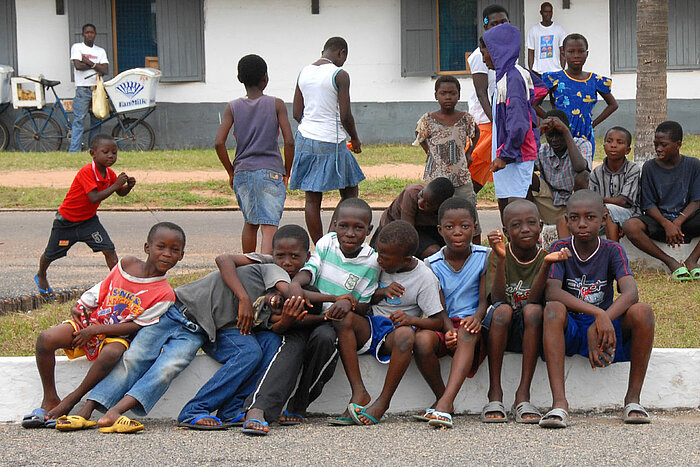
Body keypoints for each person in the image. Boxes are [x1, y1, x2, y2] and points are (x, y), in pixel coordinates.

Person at [58, 226, 338, 433]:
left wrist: (317, 312)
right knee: (137, 358)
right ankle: (88, 409)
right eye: (281, 256)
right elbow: (224, 260)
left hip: (207, 330)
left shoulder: (284, 291)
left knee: (249, 352)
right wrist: (244, 298)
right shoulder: (268, 267)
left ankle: (218, 410)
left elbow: (280, 318)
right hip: (177, 311)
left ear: (307, 257)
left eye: (294, 257)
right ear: (272, 254)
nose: (286, 262)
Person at [22, 222, 185, 430]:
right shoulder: (126, 264)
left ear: (181, 256)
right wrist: (81, 305)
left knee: (112, 352)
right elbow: (103, 287)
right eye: (160, 247)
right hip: (92, 321)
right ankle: (51, 398)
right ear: (147, 247)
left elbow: (135, 326)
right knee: (46, 339)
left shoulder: (165, 294)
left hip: (115, 335)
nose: (167, 254)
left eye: (174, 250)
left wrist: (96, 331)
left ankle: (73, 398)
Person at [240, 198, 381, 435]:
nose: (350, 233)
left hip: (333, 324)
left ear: (369, 230)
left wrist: (349, 306)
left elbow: (364, 306)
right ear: (334, 225)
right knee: (290, 350)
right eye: (343, 226)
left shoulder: (373, 262)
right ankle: (258, 409)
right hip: (309, 307)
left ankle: (300, 402)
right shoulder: (327, 243)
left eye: (358, 228)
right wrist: (295, 285)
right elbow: (310, 270)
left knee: (324, 341)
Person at [540, 189, 654, 428]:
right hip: (572, 326)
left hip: (604, 330)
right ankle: (559, 404)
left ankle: (633, 400)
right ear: (567, 220)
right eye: (575, 218)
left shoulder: (613, 249)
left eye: (590, 217)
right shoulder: (560, 248)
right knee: (552, 310)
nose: (582, 224)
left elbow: (631, 293)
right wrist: (598, 313)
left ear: (604, 218)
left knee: (643, 312)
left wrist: (602, 318)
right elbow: (552, 292)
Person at [334, 221, 444, 426]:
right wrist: (380, 293)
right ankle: (359, 392)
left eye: (385, 257)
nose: (379, 259)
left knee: (406, 335)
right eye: (379, 253)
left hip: (394, 332)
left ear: (405, 259)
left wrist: (411, 320)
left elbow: (438, 321)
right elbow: (363, 302)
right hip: (370, 323)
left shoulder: (424, 277)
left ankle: (383, 402)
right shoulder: (377, 263)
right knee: (344, 317)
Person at [481, 200, 568, 423]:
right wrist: (501, 259)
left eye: (531, 223)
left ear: (540, 226)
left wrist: (546, 265)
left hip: (529, 330)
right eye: (517, 225)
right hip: (498, 329)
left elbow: (534, 301)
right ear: (506, 232)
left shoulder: (546, 257)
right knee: (503, 312)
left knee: (533, 311)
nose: (525, 229)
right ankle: (495, 393)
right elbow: (498, 299)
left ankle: (523, 395)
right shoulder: (496, 255)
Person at [413, 197, 490, 429]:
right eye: (450, 227)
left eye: (465, 227)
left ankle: (445, 404)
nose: (458, 232)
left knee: (467, 330)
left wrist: (476, 318)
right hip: (443, 322)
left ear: (475, 228)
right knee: (422, 341)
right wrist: (448, 330)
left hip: (474, 323)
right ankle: (442, 398)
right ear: (439, 230)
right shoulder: (431, 263)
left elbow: (485, 300)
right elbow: (438, 304)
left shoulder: (485, 256)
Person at [35, 135, 135, 299]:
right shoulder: (87, 172)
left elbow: (120, 193)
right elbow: (94, 197)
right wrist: (117, 184)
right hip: (66, 222)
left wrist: (127, 187)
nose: (111, 156)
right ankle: (41, 275)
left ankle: (119, 285)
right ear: (93, 153)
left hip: (88, 221)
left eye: (114, 153)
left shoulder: (109, 174)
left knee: (108, 249)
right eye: (106, 152)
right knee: (50, 254)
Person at [215, 54, 294, 255]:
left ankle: (248, 268)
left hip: (243, 172)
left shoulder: (232, 107)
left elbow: (219, 143)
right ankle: (266, 271)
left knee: (250, 222)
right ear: (265, 78)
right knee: (269, 227)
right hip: (271, 171)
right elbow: (289, 141)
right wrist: (287, 170)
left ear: (239, 78)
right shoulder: (277, 104)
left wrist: (231, 172)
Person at [289, 37, 364, 244]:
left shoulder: (303, 72)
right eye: (344, 57)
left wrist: (311, 125)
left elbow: (296, 112)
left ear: (323, 51)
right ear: (341, 53)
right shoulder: (339, 75)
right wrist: (355, 138)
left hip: (305, 137)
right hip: (332, 139)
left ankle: (319, 245)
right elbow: (345, 115)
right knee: (350, 192)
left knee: (312, 198)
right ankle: (332, 239)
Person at [480, 25, 547, 219]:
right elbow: (540, 89)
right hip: (508, 152)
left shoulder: (513, 78)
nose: (483, 57)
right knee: (507, 202)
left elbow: (518, 124)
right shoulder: (509, 75)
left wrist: (506, 155)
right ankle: (513, 245)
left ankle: (526, 246)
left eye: (485, 51)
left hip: (515, 153)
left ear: (497, 51)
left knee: (517, 208)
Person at [623, 121, 700, 282]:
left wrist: (677, 222)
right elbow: (648, 204)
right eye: (656, 144)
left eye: (663, 145)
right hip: (660, 221)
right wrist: (667, 224)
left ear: (678, 145)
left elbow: (696, 200)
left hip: (686, 220)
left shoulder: (693, 165)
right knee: (631, 226)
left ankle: (692, 261)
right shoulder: (650, 167)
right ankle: (671, 262)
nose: (658, 149)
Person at [414, 75, 481, 242]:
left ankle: (477, 252)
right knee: (438, 217)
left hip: (461, 178)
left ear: (458, 95)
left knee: (470, 212)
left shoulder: (465, 118)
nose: (448, 97)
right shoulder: (428, 119)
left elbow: (476, 132)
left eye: (452, 93)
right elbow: (419, 135)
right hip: (436, 179)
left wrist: (469, 152)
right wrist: (430, 153)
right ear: (436, 95)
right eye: (443, 93)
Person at [538, 34, 618, 154]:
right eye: (571, 51)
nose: (576, 55)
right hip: (559, 135)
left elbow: (613, 105)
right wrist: (552, 120)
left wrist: (592, 124)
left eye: (581, 51)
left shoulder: (595, 80)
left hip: (585, 136)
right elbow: (534, 104)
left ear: (587, 54)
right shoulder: (554, 78)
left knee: (582, 168)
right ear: (563, 54)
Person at [466, 4, 511, 194]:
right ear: (486, 26)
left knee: (485, 169)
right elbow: (481, 92)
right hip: (485, 120)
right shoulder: (479, 55)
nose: (500, 27)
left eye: (504, 22)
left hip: (501, 117)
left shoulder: (508, 51)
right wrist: (496, 122)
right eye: (494, 24)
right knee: (474, 167)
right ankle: (458, 202)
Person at [530, 109, 593, 238]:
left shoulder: (582, 144)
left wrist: (565, 132)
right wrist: (537, 133)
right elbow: (524, 166)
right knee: (526, 178)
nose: (554, 140)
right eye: (550, 135)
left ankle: (578, 220)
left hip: (575, 203)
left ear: (568, 130)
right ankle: (532, 226)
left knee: (583, 176)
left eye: (559, 134)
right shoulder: (542, 150)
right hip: (551, 202)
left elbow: (580, 167)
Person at [369, 177, 454, 259]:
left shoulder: (448, 207)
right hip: (400, 227)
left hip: (426, 228)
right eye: (421, 195)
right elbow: (407, 233)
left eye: (427, 204)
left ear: (440, 206)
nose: (420, 203)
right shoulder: (411, 193)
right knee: (433, 252)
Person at [589, 126, 641, 242]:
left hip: (630, 214)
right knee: (567, 219)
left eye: (619, 142)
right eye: (609, 141)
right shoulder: (596, 172)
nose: (613, 145)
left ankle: (614, 254)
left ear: (628, 150)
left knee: (609, 212)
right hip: (600, 215)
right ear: (603, 146)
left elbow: (623, 201)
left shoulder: (632, 169)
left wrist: (601, 200)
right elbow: (592, 201)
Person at [69, 23, 109, 153]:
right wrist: (96, 66)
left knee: (97, 121)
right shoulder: (77, 47)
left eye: (92, 32)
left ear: (95, 34)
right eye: (87, 32)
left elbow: (105, 69)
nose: (89, 35)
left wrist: (88, 62)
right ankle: (74, 151)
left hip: (97, 89)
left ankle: (94, 150)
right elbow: (78, 66)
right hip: (83, 89)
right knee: (79, 120)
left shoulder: (100, 51)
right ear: (83, 34)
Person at [526, 2, 566, 77]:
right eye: (545, 12)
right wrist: (531, 71)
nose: (548, 14)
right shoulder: (533, 30)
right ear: (541, 12)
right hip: (538, 72)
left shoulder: (559, 30)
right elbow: (531, 52)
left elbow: (563, 51)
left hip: (556, 71)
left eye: (550, 11)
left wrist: (562, 69)